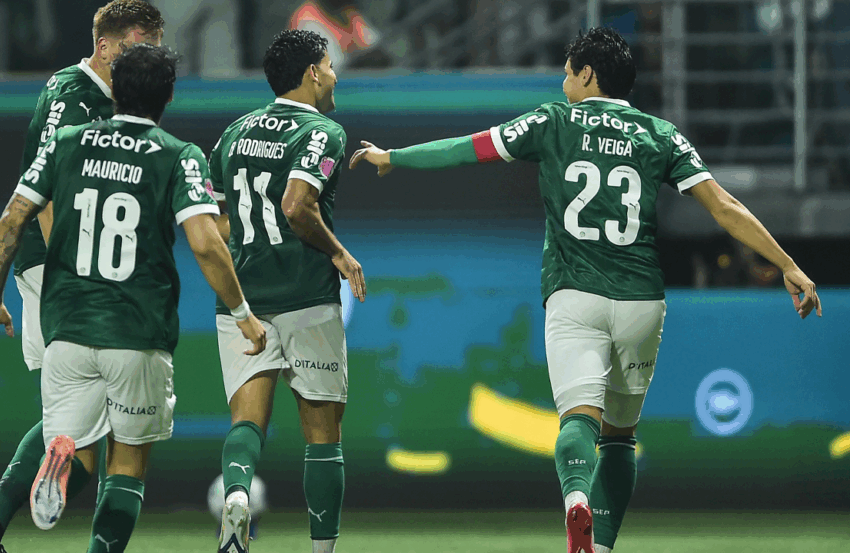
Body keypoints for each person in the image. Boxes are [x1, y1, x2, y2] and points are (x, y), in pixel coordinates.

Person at [350, 26, 822, 553]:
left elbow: (470, 148)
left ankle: (575, 499)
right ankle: (600, 548)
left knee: (578, 420)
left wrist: (393, 157)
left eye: (569, 71)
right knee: (620, 436)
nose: (563, 81)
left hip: (575, 295)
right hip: (642, 301)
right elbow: (724, 206)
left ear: (589, 74)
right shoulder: (660, 133)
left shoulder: (553, 120)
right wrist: (788, 264)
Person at [0, 43, 267, 553]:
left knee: (74, 443)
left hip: (67, 329)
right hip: (135, 332)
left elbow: (14, 216)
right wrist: (242, 313)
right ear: (168, 95)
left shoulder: (64, 142)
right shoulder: (177, 155)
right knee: (127, 463)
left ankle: (53, 460)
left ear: (116, 89)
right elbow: (205, 243)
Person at [0, 3, 165, 552]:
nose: (154, 54)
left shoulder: (81, 92)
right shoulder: (78, 97)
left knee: (84, 415)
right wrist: (79, 269)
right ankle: (10, 508)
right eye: (146, 42)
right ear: (113, 44)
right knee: (111, 426)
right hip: (65, 269)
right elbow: (47, 190)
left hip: (53, 267)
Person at [207, 28, 365, 553]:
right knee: (323, 436)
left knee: (247, 422)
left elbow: (219, 224)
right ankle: (322, 550)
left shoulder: (232, 134)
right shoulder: (322, 132)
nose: (336, 75)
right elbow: (297, 206)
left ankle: (235, 495)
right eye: (331, 65)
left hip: (244, 303)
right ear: (313, 72)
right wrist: (339, 253)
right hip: (306, 297)